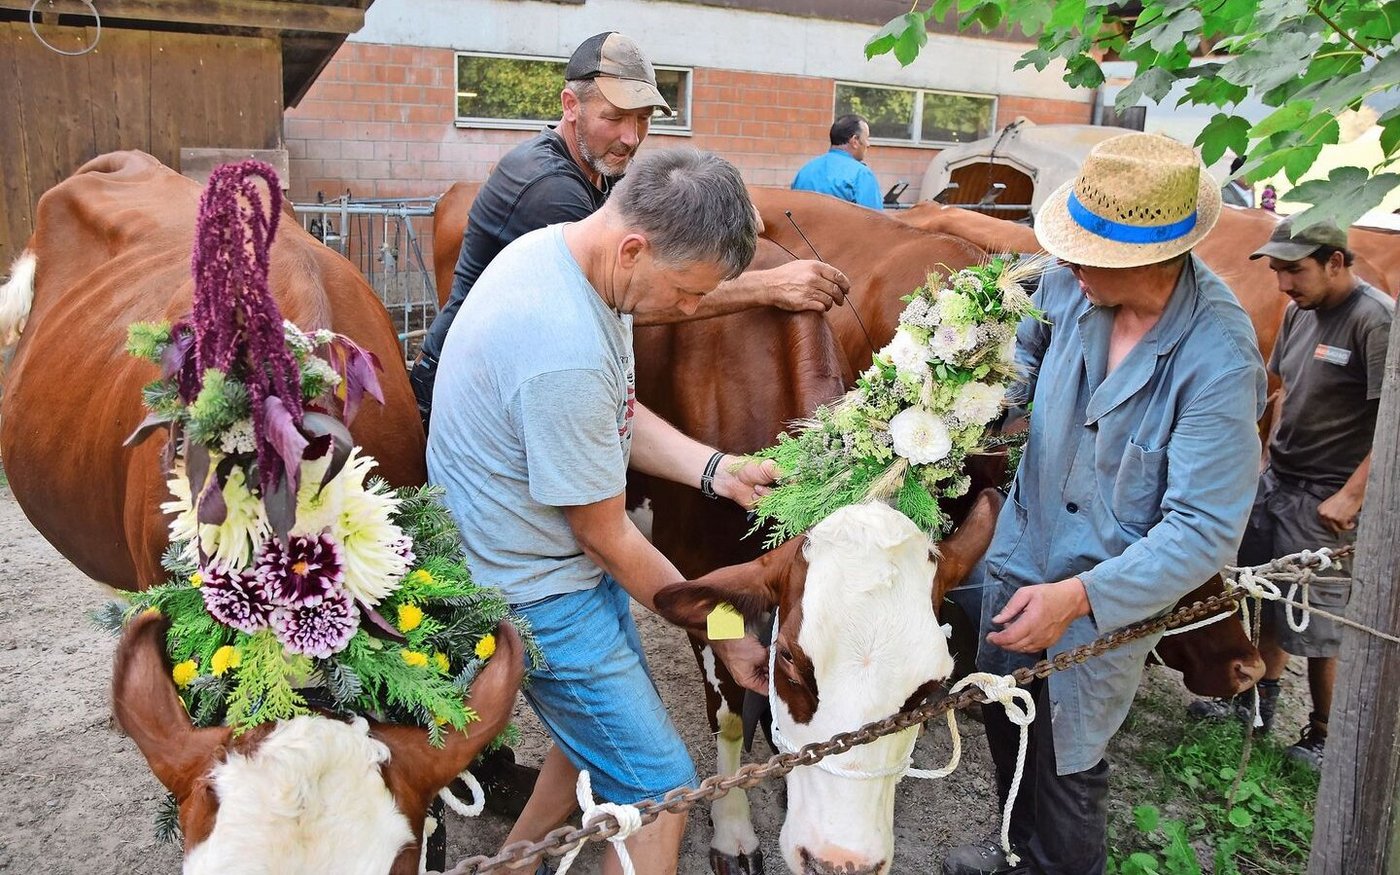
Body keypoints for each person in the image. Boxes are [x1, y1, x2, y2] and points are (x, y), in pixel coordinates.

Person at [427, 148, 775, 875]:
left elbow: (617, 412)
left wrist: (717, 470)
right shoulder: (563, 346)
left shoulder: (570, 261)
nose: (687, 310)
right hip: (533, 588)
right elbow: (608, 536)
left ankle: (514, 863)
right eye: (685, 292)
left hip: (549, 555)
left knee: (596, 732)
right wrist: (725, 631)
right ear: (634, 246)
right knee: (661, 788)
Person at [942, 133, 1267, 875]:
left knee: (1067, 761)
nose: (1067, 263)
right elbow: (1021, 363)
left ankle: (1057, 862)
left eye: (1089, 252)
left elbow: (1204, 531)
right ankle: (1015, 853)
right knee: (1005, 714)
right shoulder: (1069, 286)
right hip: (1021, 556)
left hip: (1103, 600)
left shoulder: (1216, 358)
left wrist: (1082, 596)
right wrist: (969, 403)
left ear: (1152, 258)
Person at [411, 31, 849, 429]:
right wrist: (769, 285)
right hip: (467, 388)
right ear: (570, 105)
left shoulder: (602, 166)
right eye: (615, 117)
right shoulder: (549, 188)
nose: (631, 137)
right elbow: (620, 300)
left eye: (642, 119)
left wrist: (728, 205)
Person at [1188, 217, 1393, 769]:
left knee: (1320, 622)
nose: (1282, 283)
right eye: (1277, 270)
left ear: (1335, 261)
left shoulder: (1375, 321)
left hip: (1329, 494)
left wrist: (1352, 495)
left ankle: (1325, 734)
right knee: (1264, 596)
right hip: (1279, 478)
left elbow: (1395, 423)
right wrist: (1259, 460)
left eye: (1294, 270)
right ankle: (1255, 704)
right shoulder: (1300, 312)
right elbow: (1281, 393)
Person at [791, 113, 883, 210]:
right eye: (867, 138)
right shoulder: (861, 174)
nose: (868, 144)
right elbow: (875, 221)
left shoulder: (804, 172)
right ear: (855, 140)